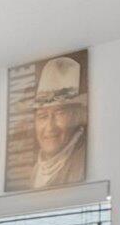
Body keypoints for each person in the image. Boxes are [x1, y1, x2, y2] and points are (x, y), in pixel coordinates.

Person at [27, 54, 87, 189]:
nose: (50, 127)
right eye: (42, 116)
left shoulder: (80, 163)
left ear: (75, 116)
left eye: (60, 113)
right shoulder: (36, 171)